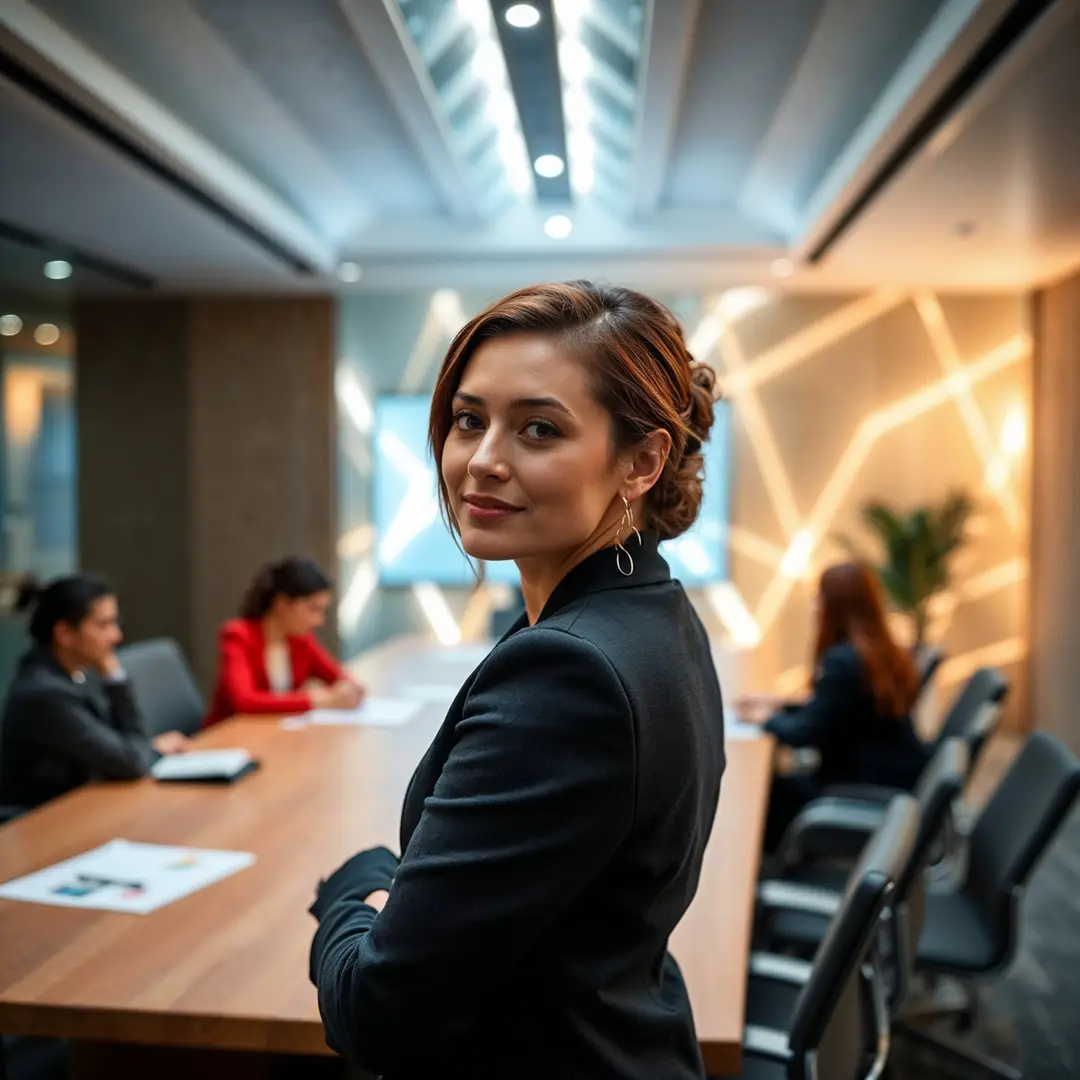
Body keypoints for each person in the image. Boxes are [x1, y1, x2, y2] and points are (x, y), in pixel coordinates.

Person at [308, 281, 726, 1080]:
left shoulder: (569, 672)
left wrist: (354, 892)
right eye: (469, 420)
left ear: (641, 461)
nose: (482, 460)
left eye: (539, 428)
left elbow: (382, 1015)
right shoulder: (655, 611)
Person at [739, 561, 929, 852]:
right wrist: (780, 705)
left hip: (861, 784)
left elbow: (807, 733)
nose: (815, 606)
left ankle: (777, 876)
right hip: (895, 776)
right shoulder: (879, 650)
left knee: (766, 788)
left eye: (819, 597)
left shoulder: (844, 660)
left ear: (835, 605)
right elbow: (835, 711)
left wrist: (764, 719)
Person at [0, 575, 192, 810]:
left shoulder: (76, 672)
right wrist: (116, 678)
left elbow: (119, 744)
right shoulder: (44, 694)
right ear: (64, 634)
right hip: (41, 824)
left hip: (82, 804)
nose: (116, 636)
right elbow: (132, 762)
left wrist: (140, 749)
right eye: (103, 625)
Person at [203, 556, 364, 726]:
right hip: (230, 738)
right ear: (282, 604)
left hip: (275, 732)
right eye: (313, 609)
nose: (320, 620)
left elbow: (340, 678)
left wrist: (351, 690)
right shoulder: (238, 635)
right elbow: (245, 701)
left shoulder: (301, 640)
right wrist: (318, 700)